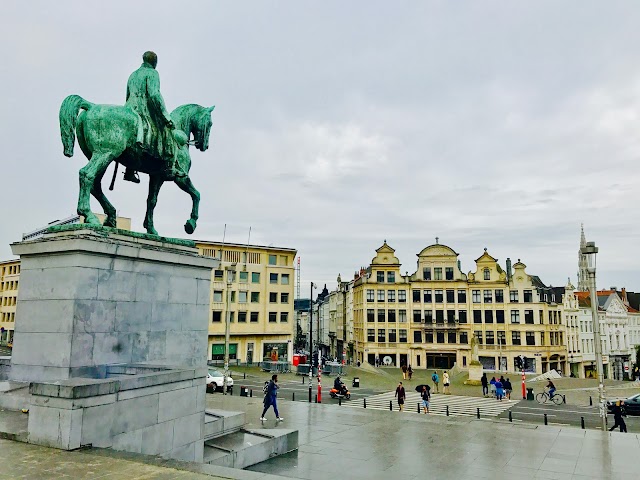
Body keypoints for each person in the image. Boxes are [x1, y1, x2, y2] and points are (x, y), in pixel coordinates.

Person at [123, 51, 177, 183]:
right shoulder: (153, 73)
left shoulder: (132, 74)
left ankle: (129, 171)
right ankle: (168, 166)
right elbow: (154, 95)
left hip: (129, 109)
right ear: (155, 62)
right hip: (143, 108)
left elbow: (127, 95)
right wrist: (166, 116)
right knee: (165, 130)